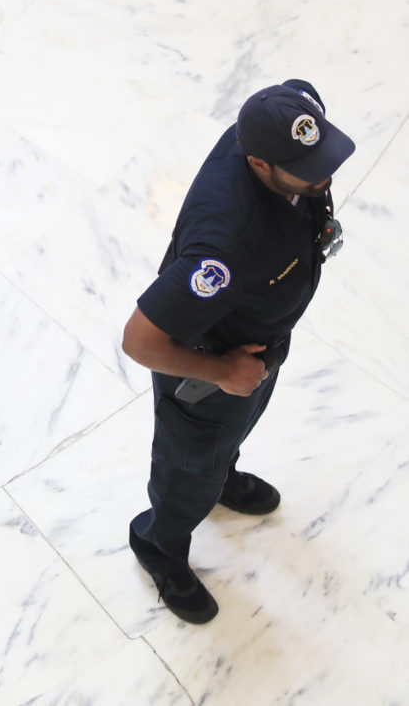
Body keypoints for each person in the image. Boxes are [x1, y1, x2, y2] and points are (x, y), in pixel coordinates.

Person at [121, 80, 356, 624]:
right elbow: (139, 339)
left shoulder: (277, 125)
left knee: (230, 438)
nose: (325, 173)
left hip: (258, 346)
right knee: (187, 472)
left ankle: (222, 475)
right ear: (259, 162)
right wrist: (224, 370)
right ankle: (159, 541)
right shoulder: (223, 246)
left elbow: (297, 95)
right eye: (309, 166)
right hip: (210, 368)